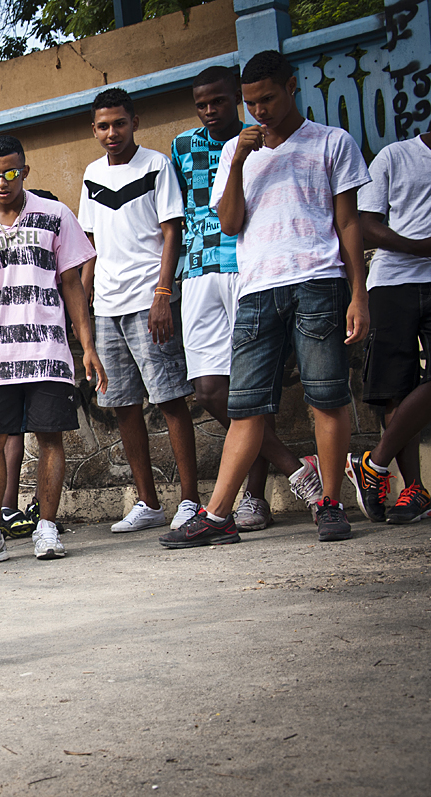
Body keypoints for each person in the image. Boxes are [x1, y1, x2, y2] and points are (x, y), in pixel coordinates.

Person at [163, 50, 371, 547]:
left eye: (267, 99)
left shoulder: (331, 143)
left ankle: (330, 504)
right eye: (252, 103)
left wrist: (359, 292)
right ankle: (218, 517)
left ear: (291, 87)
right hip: (256, 288)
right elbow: (231, 223)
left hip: (319, 280)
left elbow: (348, 223)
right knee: (246, 406)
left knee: (327, 395)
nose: (259, 111)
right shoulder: (238, 150)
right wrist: (237, 160)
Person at [171, 67, 319, 531]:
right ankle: (297, 467)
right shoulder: (182, 147)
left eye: (218, 101)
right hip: (197, 272)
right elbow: (174, 218)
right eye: (201, 104)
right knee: (210, 390)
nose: (210, 110)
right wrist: (163, 287)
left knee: (253, 390)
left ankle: (254, 498)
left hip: (247, 268)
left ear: (238, 98)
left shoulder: (262, 140)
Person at [0, 134, 107, 566]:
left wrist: (87, 346)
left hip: (49, 349)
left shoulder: (56, 216)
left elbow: (72, 284)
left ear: (26, 171)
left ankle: (47, 527)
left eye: (11, 173)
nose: (2, 182)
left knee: (50, 438)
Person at [79, 88, 201, 534]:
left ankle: (190, 500)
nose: (112, 133)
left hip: (150, 301)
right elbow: (88, 246)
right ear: (93, 129)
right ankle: (148, 503)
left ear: (135, 121)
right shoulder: (92, 174)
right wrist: (85, 309)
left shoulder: (156, 166)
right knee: (123, 406)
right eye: (104, 126)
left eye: (120, 123)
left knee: (170, 399)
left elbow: (172, 233)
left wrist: (163, 294)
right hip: (107, 308)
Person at [345, 130, 431, 524]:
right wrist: (416, 247)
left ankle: (373, 464)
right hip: (393, 280)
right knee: (396, 385)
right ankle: (412, 489)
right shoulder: (396, 156)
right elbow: (365, 223)